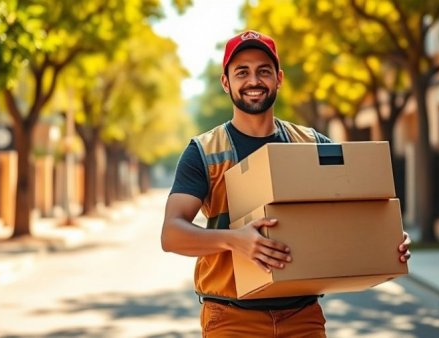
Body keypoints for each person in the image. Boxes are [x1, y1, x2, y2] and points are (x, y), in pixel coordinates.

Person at [161, 30, 411, 337]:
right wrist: (235, 240)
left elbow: (346, 209)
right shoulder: (205, 151)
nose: (254, 81)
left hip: (302, 318)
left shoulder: (310, 144)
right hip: (231, 320)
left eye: (263, 71)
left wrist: (385, 241)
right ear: (226, 83)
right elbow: (172, 233)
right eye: (242, 72)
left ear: (279, 78)